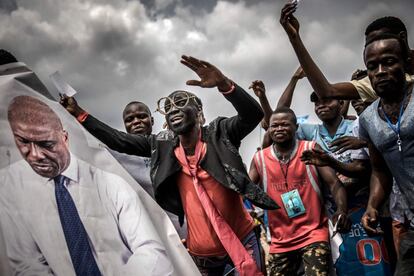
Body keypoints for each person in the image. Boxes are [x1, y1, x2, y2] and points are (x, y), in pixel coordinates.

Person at [61, 55, 278, 275]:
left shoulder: (220, 133)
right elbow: (118, 139)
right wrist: (80, 114)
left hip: (242, 240)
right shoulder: (162, 147)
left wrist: (223, 83)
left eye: (181, 103)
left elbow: (253, 115)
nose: (173, 108)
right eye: (168, 107)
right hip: (202, 256)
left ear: (199, 113)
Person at [1, 95, 173, 275]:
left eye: (47, 143)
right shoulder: (113, 155)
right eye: (130, 119)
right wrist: (78, 114)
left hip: (177, 228)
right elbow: (25, 263)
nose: (36, 155)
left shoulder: (166, 145)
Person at [249, 107, 350, 276]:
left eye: (284, 124)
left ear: (296, 127)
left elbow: (335, 184)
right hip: (280, 240)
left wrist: (341, 210)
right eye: (274, 126)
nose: (279, 128)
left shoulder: (310, 149)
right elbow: (248, 191)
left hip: (313, 233)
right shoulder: (259, 159)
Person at [358, 33, 414, 274]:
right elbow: (380, 170)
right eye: (372, 66)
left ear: (406, 63)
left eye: (389, 62)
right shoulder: (368, 119)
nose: (380, 71)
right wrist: (372, 205)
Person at [279, 3, 413, 102]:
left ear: (401, 38)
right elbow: (327, 92)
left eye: (382, 40)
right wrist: (294, 38)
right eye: (369, 45)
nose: (381, 71)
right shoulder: (378, 79)